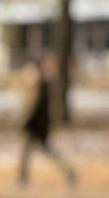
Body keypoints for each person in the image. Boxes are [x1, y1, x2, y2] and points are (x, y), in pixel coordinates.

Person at [16, 54, 77, 187]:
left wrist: (26, 123)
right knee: (30, 151)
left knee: (40, 151)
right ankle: (22, 177)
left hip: (35, 126)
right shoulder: (39, 86)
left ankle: (22, 178)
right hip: (36, 125)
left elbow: (35, 109)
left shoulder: (40, 87)